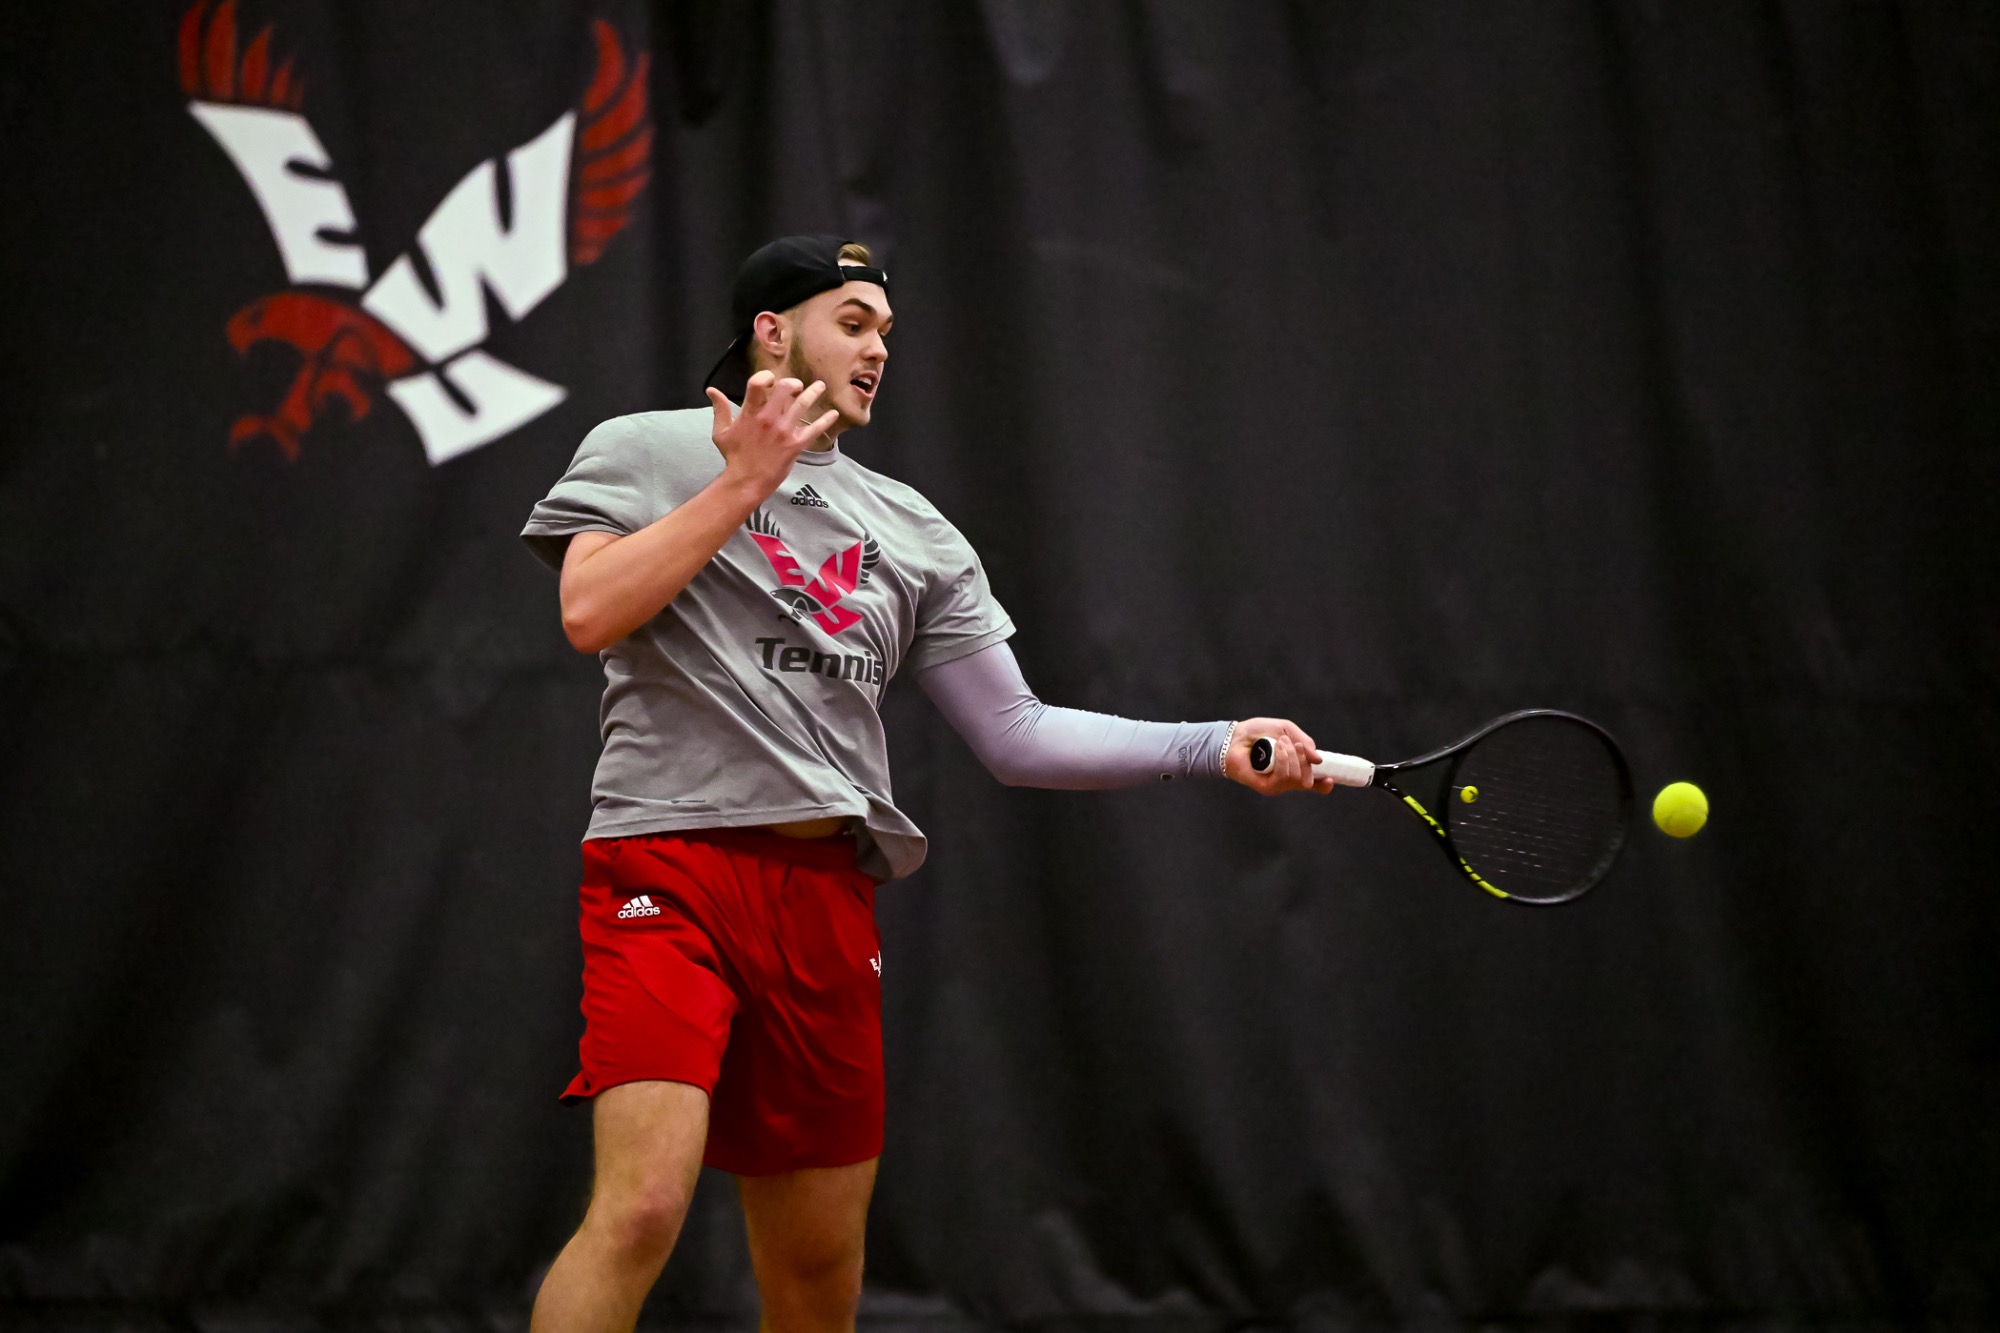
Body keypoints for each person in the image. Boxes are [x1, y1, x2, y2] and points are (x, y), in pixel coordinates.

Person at [520, 235, 1332, 1333]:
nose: (875, 351)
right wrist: (744, 482)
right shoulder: (646, 447)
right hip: (666, 866)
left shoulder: (913, 530)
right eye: (852, 323)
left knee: (816, 1269)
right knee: (641, 1211)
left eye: (886, 335)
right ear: (773, 330)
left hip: (821, 896)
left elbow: (1016, 732)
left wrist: (1210, 741)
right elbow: (588, 610)